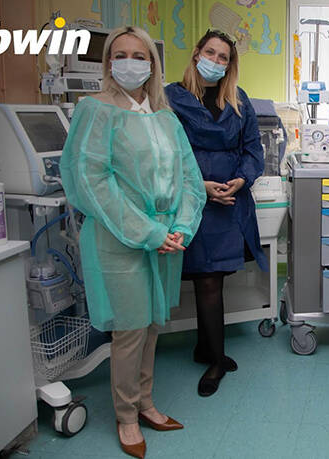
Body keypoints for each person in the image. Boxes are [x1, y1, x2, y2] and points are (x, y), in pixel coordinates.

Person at [60, 26, 206, 458]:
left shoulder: (165, 117)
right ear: (109, 63)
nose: (130, 63)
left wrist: (181, 226)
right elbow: (93, 182)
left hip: (166, 238)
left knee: (153, 324)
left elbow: (189, 178)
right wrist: (150, 232)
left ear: (152, 64)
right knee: (130, 330)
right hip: (120, 238)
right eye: (120, 54)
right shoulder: (96, 110)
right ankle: (126, 417)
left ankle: (145, 402)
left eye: (139, 56)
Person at [165, 30, 267, 397]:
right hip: (192, 200)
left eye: (223, 57)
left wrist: (241, 179)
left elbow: (253, 148)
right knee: (205, 279)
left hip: (230, 201)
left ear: (230, 64)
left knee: (213, 277)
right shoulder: (170, 98)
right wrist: (200, 186)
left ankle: (207, 350)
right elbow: (165, 153)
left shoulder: (238, 100)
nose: (216, 61)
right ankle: (215, 359)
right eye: (210, 53)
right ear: (196, 54)